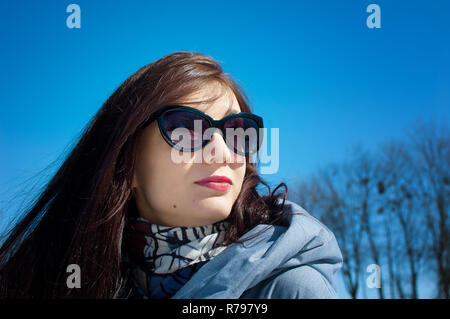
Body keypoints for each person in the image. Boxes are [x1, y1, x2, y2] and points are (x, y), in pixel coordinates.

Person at [0, 51, 342, 299]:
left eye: (238, 132)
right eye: (186, 130)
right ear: (126, 161)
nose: (223, 152)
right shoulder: (69, 283)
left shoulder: (289, 290)